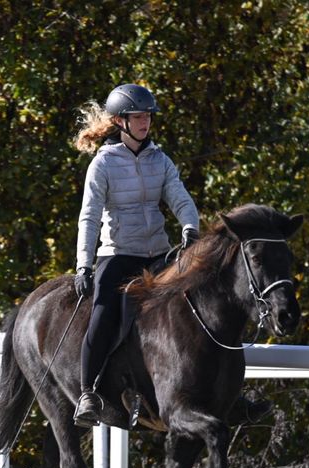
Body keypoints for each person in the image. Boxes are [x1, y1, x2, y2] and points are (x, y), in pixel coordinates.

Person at [72, 83, 200, 428]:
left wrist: (190, 226)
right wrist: (84, 264)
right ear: (120, 122)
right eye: (138, 117)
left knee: (198, 300)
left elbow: (180, 198)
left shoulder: (161, 159)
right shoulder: (102, 165)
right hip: (118, 254)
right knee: (102, 315)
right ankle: (88, 392)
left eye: (148, 116)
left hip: (158, 253)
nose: (145, 122)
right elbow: (90, 217)